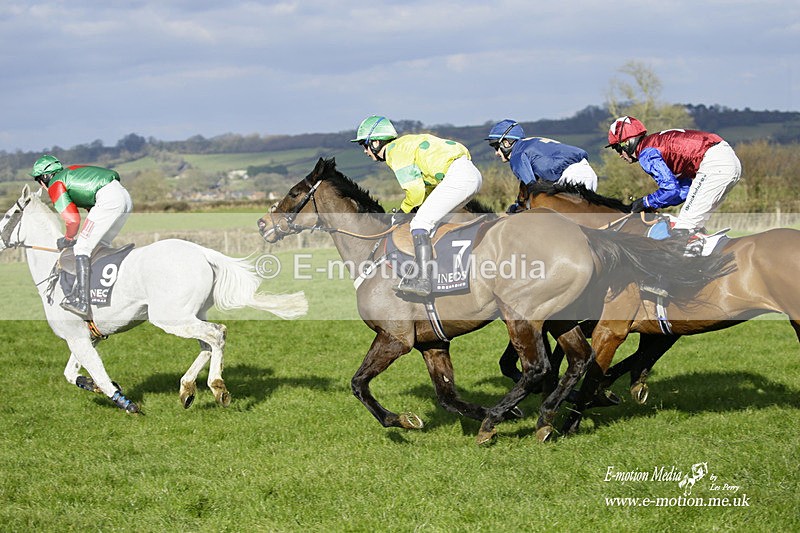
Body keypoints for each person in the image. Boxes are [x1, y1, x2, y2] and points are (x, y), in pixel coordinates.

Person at [351, 115, 482, 297]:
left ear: (375, 143)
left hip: (458, 177)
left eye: (364, 145)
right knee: (434, 224)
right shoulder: (405, 144)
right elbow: (427, 190)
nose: (365, 151)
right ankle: (445, 274)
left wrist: (402, 212)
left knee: (420, 224)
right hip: (469, 174)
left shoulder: (395, 152)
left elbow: (415, 192)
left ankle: (423, 280)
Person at [606, 116, 742, 253]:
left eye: (617, 148)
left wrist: (645, 202)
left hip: (715, 163)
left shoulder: (646, 153)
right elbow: (683, 191)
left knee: (682, 230)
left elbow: (670, 190)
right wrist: (652, 204)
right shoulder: (655, 144)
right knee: (692, 225)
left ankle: (699, 264)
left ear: (628, 143)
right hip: (727, 159)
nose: (619, 155)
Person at [30, 155, 133, 320]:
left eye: (38, 180)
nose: (41, 185)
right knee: (98, 245)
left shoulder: (56, 184)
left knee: (82, 248)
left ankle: (82, 302)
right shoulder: (70, 174)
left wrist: (68, 239)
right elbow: (90, 210)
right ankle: (100, 290)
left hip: (109, 199)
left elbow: (72, 220)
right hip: (124, 197)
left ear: (45, 177)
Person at [486, 119, 598, 213]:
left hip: (572, 177)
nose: (496, 153)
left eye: (496, 147)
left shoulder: (517, 155)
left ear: (506, 143)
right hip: (586, 172)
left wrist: (516, 207)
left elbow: (532, 188)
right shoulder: (529, 144)